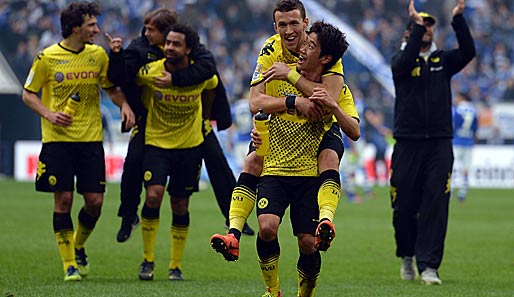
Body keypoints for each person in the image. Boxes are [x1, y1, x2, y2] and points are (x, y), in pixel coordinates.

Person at [210, 0, 355, 262]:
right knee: (253, 159)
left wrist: (290, 76)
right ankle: (233, 234)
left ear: (306, 24)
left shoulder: (324, 49)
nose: (288, 31)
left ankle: (326, 222)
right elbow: (255, 102)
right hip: (280, 128)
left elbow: (328, 101)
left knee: (329, 159)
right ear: (275, 26)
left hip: (316, 131)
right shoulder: (270, 49)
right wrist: (292, 102)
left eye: (294, 23)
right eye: (282, 24)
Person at [106, 8, 253, 243]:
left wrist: (176, 81)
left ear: (168, 35)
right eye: (146, 29)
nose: (146, 33)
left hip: (192, 122)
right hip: (150, 119)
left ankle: (234, 217)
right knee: (133, 161)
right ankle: (128, 215)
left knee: (217, 160)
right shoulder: (140, 48)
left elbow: (208, 70)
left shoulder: (190, 49)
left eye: (152, 30)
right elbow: (120, 77)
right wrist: (115, 57)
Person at [21, 1, 135, 281]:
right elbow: (28, 93)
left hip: (90, 139)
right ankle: (69, 264)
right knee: (64, 200)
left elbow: (110, 87)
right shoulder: (46, 57)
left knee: (94, 202)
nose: (97, 29)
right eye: (91, 25)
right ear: (75, 28)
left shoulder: (98, 55)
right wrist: (49, 113)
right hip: (57, 140)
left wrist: (125, 105)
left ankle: (78, 245)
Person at [249, 20, 356, 297]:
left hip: (308, 172)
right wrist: (263, 120)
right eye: (305, 43)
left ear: (325, 59)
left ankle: (305, 291)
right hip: (277, 166)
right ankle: (272, 292)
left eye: (310, 45)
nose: (302, 47)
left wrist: (293, 78)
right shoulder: (277, 63)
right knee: (267, 228)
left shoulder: (329, 83)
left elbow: (346, 123)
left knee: (308, 244)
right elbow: (256, 103)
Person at [389, 0, 475, 285]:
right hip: (407, 143)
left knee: (436, 205)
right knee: (403, 207)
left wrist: (458, 20)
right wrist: (415, 28)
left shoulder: (442, 61)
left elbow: (469, 52)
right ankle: (407, 255)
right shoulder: (400, 61)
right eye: (420, 25)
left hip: (439, 144)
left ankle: (429, 267)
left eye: (428, 24)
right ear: (409, 33)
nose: (426, 28)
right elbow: (403, 63)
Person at [135, 22, 218, 281]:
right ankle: (147, 260)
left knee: (180, 204)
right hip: (156, 144)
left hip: (189, 146)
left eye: (175, 44)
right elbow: (133, 85)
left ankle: (175, 265)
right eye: (168, 43)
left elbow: (212, 87)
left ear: (189, 49)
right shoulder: (149, 72)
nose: (169, 48)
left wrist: (205, 117)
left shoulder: (201, 75)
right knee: (153, 196)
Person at [452, 92, 478, 202]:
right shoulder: (474, 110)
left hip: (457, 141)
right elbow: (476, 128)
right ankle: (463, 191)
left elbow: (452, 124)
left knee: (452, 166)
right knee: (466, 168)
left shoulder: (456, 109)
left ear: (461, 97)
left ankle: (451, 189)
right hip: (468, 142)